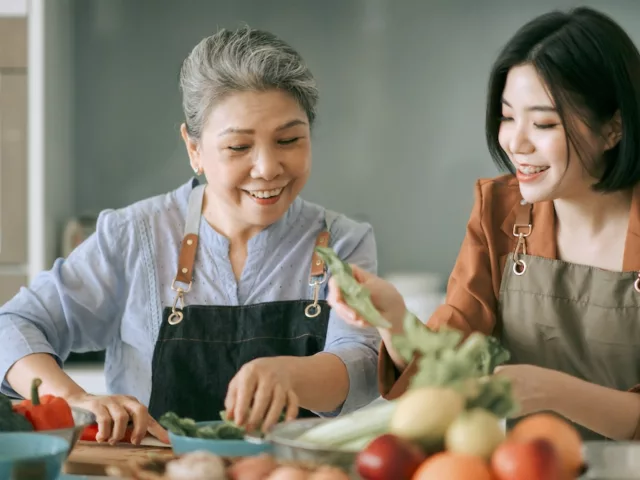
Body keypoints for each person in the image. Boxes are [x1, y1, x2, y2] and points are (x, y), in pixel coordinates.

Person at [0, 26, 381, 445]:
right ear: (194, 149)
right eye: (239, 147)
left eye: (289, 139)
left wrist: (292, 375)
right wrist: (73, 398)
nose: (268, 167)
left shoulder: (342, 241)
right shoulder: (135, 235)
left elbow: (365, 363)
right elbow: (15, 325)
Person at [328, 6, 640, 442]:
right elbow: (441, 369)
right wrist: (394, 320)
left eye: (544, 122)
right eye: (508, 116)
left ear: (614, 128)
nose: (515, 141)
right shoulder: (500, 212)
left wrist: (554, 391)